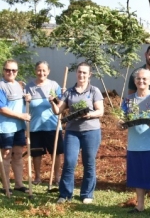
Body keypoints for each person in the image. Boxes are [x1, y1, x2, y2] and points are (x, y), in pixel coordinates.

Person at [51, 62, 104, 204]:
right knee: (69, 162)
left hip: (91, 131)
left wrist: (89, 115)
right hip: (72, 132)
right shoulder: (69, 92)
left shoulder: (94, 91)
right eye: (79, 72)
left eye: (84, 73)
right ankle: (65, 194)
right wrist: (52, 102)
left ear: (89, 75)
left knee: (89, 162)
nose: (81, 75)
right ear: (77, 73)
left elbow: (100, 111)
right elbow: (58, 111)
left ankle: (87, 194)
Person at [122, 69, 150, 217]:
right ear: (135, 81)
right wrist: (121, 123)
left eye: (144, 79)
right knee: (138, 176)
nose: (141, 81)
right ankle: (140, 206)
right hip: (134, 144)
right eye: (138, 79)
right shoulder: (128, 100)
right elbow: (121, 119)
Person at [25, 61, 64, 186]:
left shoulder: (54, 85)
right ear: (35, 71)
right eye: (39, 70)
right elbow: (23, 105)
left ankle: (57, 177)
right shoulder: (29, 87)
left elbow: (61, 104)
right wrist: (26, 100)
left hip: (52, 126)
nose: (41, 73)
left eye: (44, 70)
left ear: (48, 71)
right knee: (36, 153)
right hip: (35, 127)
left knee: (55, 152)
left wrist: (57, 98)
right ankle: (37, 177)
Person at [0, 59, 31, 193]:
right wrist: (21, 116)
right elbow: (2, 109)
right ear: (3, 71)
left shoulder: (19, 86)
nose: (10, 72)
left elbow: (20, 104)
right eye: (8, 70)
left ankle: (19, 184)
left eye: (13, 70)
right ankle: (6, 186)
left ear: (17, 72)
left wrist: (27, 99)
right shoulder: (1, 86)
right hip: (5, 127)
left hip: (19, 127)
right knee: (6, 156)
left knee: (18, 155)